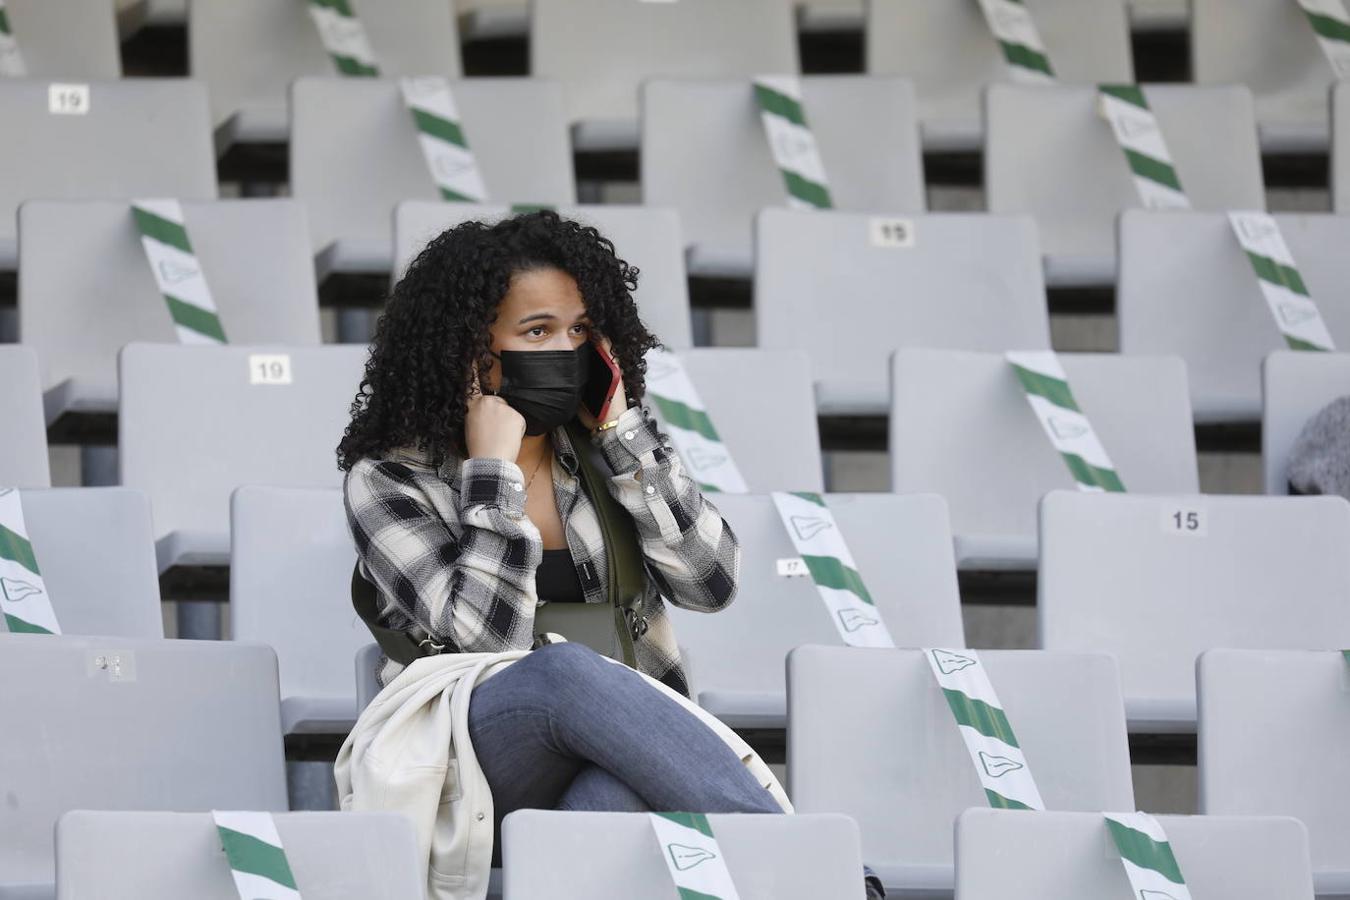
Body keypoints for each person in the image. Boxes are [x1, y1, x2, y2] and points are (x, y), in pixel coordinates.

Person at [337, 211, 884, 898]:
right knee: (563, 671)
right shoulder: (390, 479)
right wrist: (493, 475)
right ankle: (813, 875)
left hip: (622, 754)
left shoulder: (607, 449)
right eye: (538, 331)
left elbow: (711, 582)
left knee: (617, 795)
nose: (564, 349)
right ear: (471, 352)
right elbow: (486, 642)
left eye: (580, 331)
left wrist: (625, 436)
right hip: (471, 768)